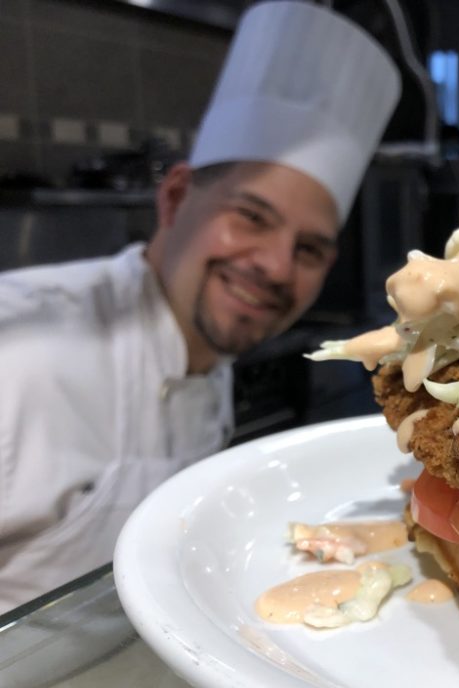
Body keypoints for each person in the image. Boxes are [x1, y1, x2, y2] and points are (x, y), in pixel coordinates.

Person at [0, 0, 401, 613]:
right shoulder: (21, 351)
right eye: (251, 216)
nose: (276, 267)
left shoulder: (208, 356)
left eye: (309, 249)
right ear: (175, 197)